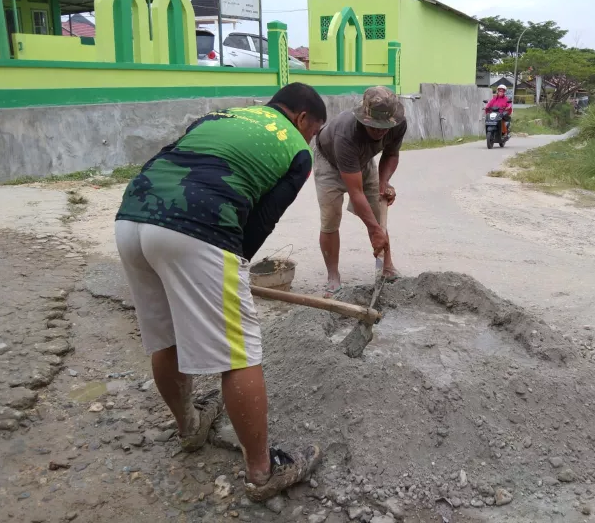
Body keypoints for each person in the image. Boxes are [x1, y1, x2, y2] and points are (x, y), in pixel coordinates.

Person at [114, 83, 327, 500]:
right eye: (313, 131)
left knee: (167, 336)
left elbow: (173, 157)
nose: (310, 141)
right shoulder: (296, 150)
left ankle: (189, 430)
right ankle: (263, 474)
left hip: (132, 219)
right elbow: (263, 218)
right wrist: (235, 264)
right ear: (302, 119)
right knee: (239, 353)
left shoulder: (222, 115)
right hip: (196, 227)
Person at [313, 86, 405, 297]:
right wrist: (373, 231)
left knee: (377, 212)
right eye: (374, 127)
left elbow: (391, 154)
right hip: (330, 162)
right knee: (331, 217)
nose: (381, 131)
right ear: (364, 117)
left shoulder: (398, 124)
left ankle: (386, 268)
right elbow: (356, 192)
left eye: (385, 127)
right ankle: (333, 276)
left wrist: (384, 183)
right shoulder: (346, 133)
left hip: (362, 161)